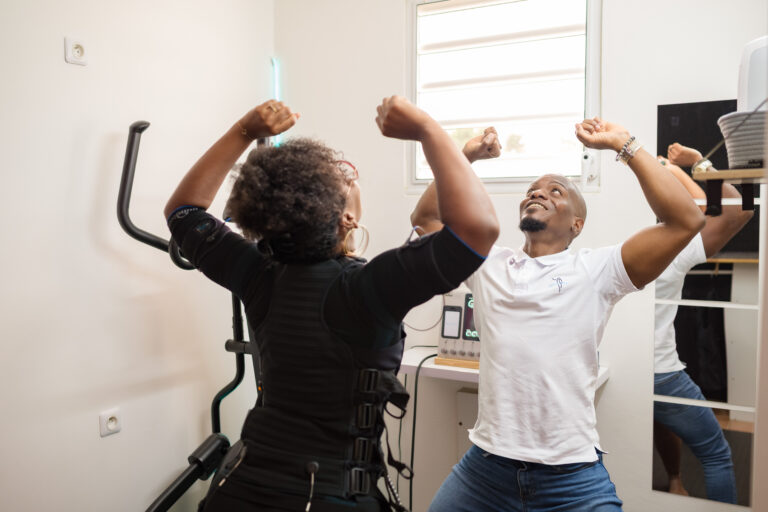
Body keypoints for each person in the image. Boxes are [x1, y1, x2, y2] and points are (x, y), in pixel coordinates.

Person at [163, 96, 499, 511]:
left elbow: (182, 212)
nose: (348, 175)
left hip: (238, 489)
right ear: (347, 219)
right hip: (326, 499)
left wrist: (245, 131)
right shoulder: (371, 288)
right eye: (342, 181)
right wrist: (428, 129)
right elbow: (477, 229)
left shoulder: (258, 274)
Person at [411, 118, 706, 511]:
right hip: (484, 469)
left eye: (556, 191)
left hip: (571, 476)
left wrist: (624, 144)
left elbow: (686, 220)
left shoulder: (599, 269)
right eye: (532, 190)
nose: (538, 193)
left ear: (577, 224)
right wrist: (465, 158)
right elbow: (426, 221)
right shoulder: (489, 265)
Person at [652, 143, 753, 503]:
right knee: (716, 453)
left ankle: (675, 479)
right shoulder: (671, 245)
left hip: (625, 366)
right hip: (659, 372)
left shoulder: (640, 240)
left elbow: (705, 210)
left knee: (661, 417)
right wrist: (690, 165)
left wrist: (671, 170)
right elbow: (739, 208)